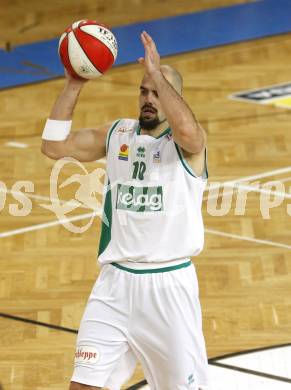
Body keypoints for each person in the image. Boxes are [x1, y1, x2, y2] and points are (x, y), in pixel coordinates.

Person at [41, 31, 209, 390]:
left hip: (169, 287)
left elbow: (188, 131)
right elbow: (54, 147)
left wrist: (158, 74)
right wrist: (74, 82)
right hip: (114, 284)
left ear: (173, 95)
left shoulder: (189, 146)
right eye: (144, 91)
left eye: (158, 91)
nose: (149, 99)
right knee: (83, 386)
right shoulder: (118, 133)